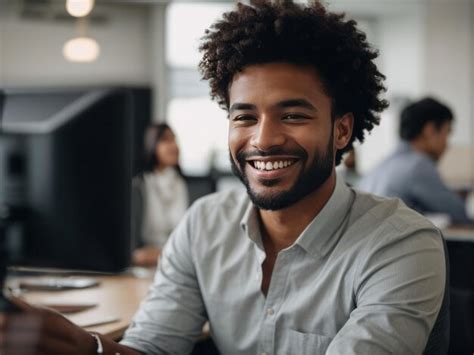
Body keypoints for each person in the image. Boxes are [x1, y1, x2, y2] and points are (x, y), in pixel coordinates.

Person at [0, 2, 447, 354]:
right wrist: (90, 348)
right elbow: (152, 348)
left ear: (342, 129)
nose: (264, 139)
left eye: (292, 115)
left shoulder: (401, 243)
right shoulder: (203, 226)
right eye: (244, 116)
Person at [358, 97, 472, 224]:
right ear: (430, 130)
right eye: (447, 134)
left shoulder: (377, 169)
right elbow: (458, 213)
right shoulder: (418, 165)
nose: (447, 145)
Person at [132, 123, 189, 267]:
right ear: (152, 145)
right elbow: (135, 254)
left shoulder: (181, 184)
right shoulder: (140, 185)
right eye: (165, 140)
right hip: (146, 266)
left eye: (174, 139)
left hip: (176, 262)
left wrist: (161, 253)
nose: (174, 146)